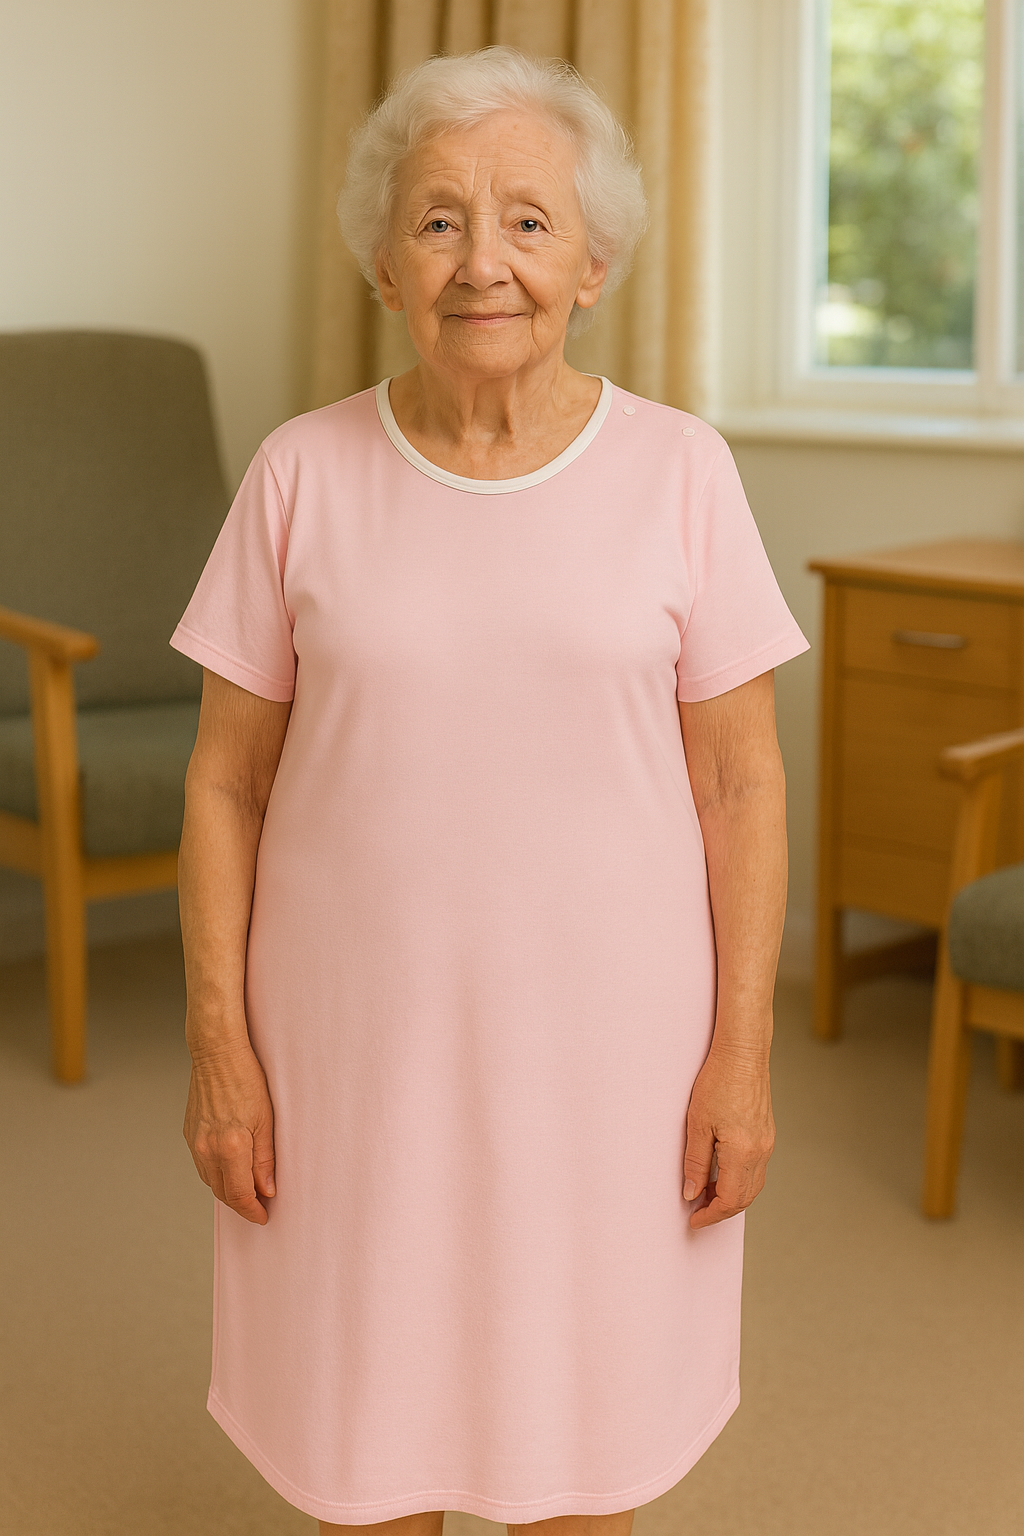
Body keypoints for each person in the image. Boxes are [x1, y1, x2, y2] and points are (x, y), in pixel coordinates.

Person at [172, 44, 809, 1536]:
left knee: (581, 1456)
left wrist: (744, 1056)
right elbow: (223, 785)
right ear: (385, 263)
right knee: (363, 1449)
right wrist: (217, 1046)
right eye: (440, 219)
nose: (484, 262)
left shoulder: (684, 474)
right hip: (347, 1053)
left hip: (612, 1061)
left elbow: (743, 785)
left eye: (528, 221)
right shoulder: (297, 474)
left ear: (595, 264)